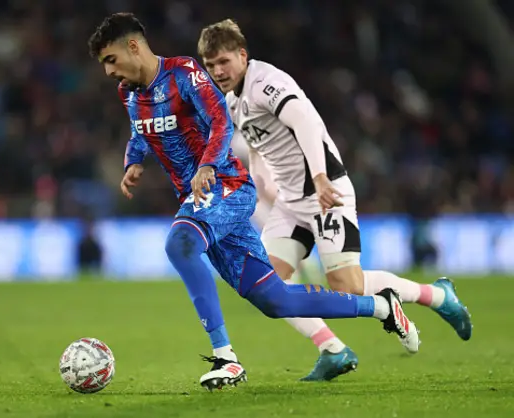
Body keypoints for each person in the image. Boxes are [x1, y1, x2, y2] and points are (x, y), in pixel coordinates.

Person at [88, 12, 419, 391]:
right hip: (201, 197)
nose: (108, 71)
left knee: (180, 244)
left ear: (133, 46)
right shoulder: (129, 93)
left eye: (110, 59)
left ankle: (225, 358)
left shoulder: (185, 74)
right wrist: (133, 161)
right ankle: (382, 307)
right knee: (274, 299)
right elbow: (140, 130)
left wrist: (208, 164)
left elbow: (220, 121)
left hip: (226, 185)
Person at [197, 17, 472, 371]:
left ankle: (436, 295)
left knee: (347, 283)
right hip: (290, 203)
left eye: (224, 61)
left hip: (325, 192)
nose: (218, 71)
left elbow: (307, 122)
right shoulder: (233, 99)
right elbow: (258, 145)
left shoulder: (266, 83)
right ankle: (332, 349)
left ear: (243, 55)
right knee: (265, 285)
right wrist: (259, 180)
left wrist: (321, 177)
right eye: (211, 65)